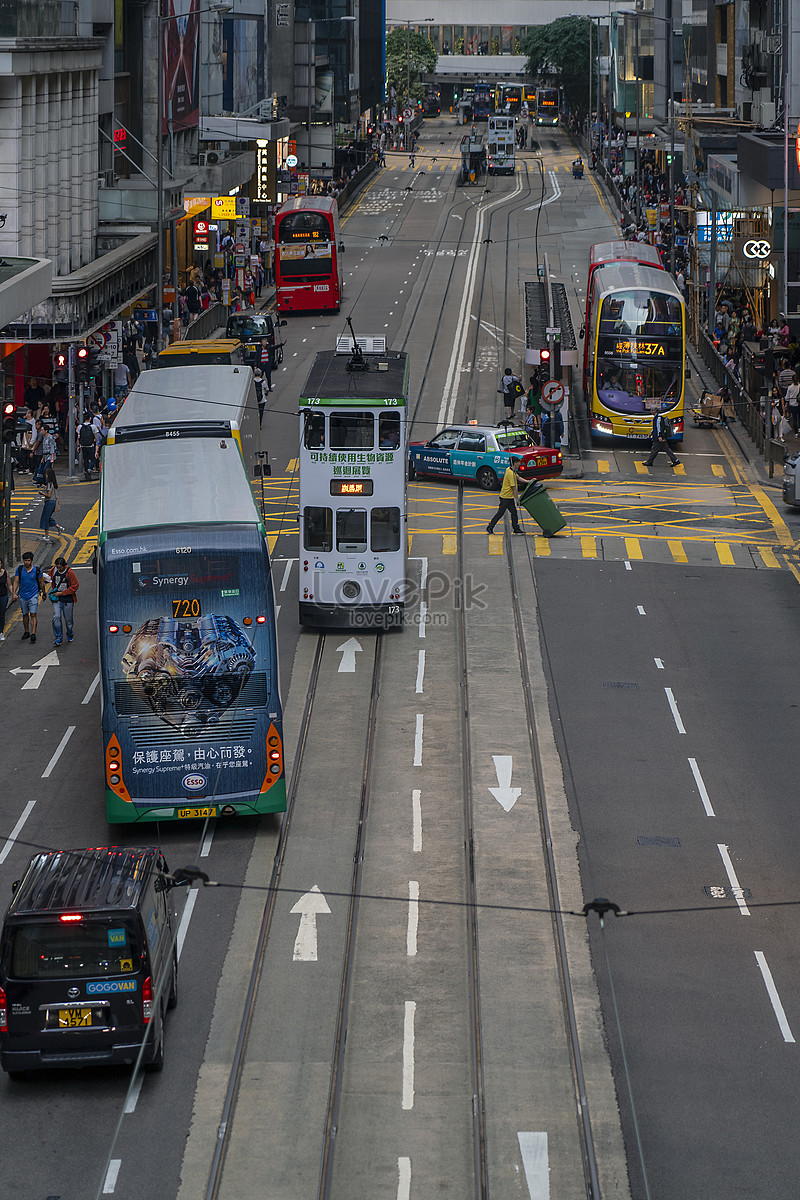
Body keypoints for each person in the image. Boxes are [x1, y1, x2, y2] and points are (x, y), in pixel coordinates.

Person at [12, 551, 46, 644]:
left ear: (31, 561)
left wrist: (44, 592)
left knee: (33, 614)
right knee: (25, 614)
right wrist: (14, 593)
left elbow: (41, 582)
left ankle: (33, 633)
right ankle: (27, 631)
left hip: (34, 595)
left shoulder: (37, 570)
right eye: (25, 560)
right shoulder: (19, 569)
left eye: (28, 560)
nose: (27, 562)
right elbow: (16, 582)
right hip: (23, 595)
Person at [486, 456, 524, 534]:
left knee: (514, 513)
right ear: (515, 463)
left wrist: (528, 481)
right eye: (518, 462)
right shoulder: (511, 474)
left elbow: (519, 478)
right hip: (505, 498)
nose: (519, 464)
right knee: (500, 513)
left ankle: (516, 528)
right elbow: (514, 488)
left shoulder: (510, 470)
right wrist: (517, 500)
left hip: (509, 498)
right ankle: (490, 527)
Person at [46, 556, 79, 645]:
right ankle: (58, 637)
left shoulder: (70, 573)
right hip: (57, 599)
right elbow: (48, 578)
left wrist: (62, 593)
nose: (58, 569)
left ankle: (70, 633)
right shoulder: (54, 570)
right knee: (56, 617)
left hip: (68, 599)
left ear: (65, 566)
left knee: (68, 621)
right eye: (57, 567)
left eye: (60, 567)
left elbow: (75, 586)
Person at [39, 466, 63, 541]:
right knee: (48, 517)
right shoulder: (53, 484)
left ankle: (47, 536)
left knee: (45, 518)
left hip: (49, 502)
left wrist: (42, 493)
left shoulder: (49, 484)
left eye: (46, 474)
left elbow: (49, 495)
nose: (45, 475)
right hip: (53, 502)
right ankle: (59, 527)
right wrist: (45, 487)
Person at [0, 554, 8, 641]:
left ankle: (1, 632)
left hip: (3, 596)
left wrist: (13, 593)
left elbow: (9, 584)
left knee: (2, 615)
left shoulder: (5, 573)